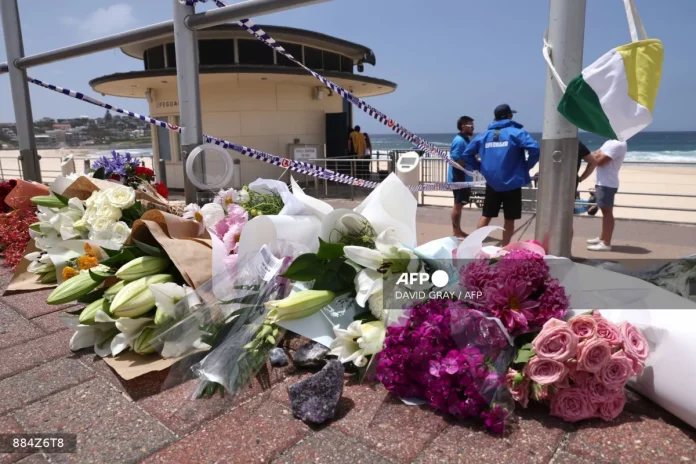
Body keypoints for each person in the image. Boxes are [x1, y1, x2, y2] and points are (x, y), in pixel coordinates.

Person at [463, 104, 540, 246]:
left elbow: (467, 154)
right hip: (512, 183)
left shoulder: (484, 135)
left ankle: (472, 246)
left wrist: (480, 168)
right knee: (509, 219)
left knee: (486, 215)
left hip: (492, 183)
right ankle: (505, 248)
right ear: (509, 116)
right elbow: (535, 149)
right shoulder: (517, 132)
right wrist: (525, 167)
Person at [586, 139, 627, 251]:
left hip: (608, 183)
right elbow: (594, 155)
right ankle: (602, 238)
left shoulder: (619, 143)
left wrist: (597, 156)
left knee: (607, 212)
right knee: (605, 211)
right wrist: (597, 155)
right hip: (601, 182)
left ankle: (606, 243)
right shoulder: (609, 142)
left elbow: (598, 161)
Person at [449, 116, 475, 238]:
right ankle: (456, 231)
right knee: (458, 205)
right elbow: (455, 158)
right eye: (470, 126)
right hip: (460, 178)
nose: (472, 128)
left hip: (464, 178)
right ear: (463, 126)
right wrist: (468, 165)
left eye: (473, 125)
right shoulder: (459, 141)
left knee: (460, 205)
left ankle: (458, 230)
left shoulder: (465, 139)